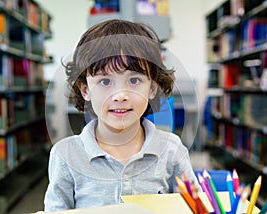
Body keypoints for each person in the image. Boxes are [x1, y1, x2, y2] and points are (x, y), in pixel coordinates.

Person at [44, 19, 201, 211]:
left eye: (134, 80)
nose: (120, 96)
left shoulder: (172, 150)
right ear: (85, 90)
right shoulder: (66, 155)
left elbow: (194, 208)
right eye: (105, 82)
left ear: (152, 88)